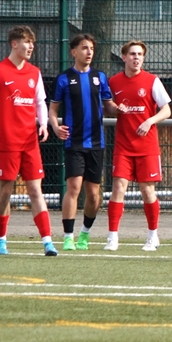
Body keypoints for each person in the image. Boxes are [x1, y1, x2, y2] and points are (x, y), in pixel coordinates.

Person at [49, 34, 117, 251]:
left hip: (96, 143)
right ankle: (68, 237)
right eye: (84, 48)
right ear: (74, 52)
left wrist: (120, 109)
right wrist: (55, 127)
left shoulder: (100, 77)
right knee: (74, 187)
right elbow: (53, 109)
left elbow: (109, 105)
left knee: (94, 195)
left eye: (91, 49)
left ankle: (85, 234)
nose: (89, 52)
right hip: (74, 142)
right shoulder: (64, 78)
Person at [107, 41, 172, 252]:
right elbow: (107, 106)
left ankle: (153, 236)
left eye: (140, 54)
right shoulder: (114, 81)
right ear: (124, 57)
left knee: (147, 191)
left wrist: (149, 121)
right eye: (133, 54)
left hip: (147, 146)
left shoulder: (152, 81)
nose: (136, 58)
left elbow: (166, 110)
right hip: (123, 146)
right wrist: (115, 108)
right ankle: (112, 237)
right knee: (118, 188)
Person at [0, 26, 56, 256]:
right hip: (6, 142)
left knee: (35, 189)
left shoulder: (34, 72)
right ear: (14, 44)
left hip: (29, 142)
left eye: (32, 42)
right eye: (27, 42)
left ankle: (48, 242)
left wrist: (43, 124)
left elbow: (40, 102)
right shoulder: (0, 71)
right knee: (5, 190)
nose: (31, 46)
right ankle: (1, 239)